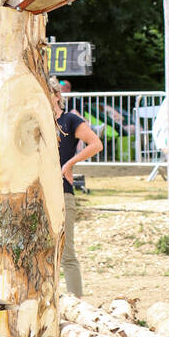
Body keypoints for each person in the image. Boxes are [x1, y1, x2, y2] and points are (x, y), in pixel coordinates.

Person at [50, 77, 102, 297]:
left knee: (67, 253)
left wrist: (69, 164)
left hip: (62, 191)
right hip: (37, 195)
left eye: (49, 93)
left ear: (58, 96)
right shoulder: (35, 121)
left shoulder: (70, 120)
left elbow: (96, 144)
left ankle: (76, 302)